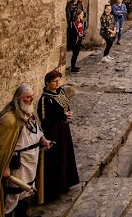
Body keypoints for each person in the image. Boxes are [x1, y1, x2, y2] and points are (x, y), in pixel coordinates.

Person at [0, 85, 52, 217]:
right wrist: (5, 166)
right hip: (18, 162)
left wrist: (43, 139)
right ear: (18, 98)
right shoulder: (9, 119)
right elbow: (2, 148)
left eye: (32, 96)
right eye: (27, 97)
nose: (31, 99)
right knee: (13, 194)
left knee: (27, 190)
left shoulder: (29, 113)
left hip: (31, 159)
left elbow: (36, 129)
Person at [37, 71, 79, 201]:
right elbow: (44, 118)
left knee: (65, 154)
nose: (57, 83)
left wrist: (68, 114)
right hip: (52, 132)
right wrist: (62, 116)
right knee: (55, 158)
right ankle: (54, 189)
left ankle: (65, 183)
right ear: (47, 83)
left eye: (58, 80)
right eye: (55, 81)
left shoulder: (60, 92)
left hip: (63, 129)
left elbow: (65, 105)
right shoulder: (45, 99)